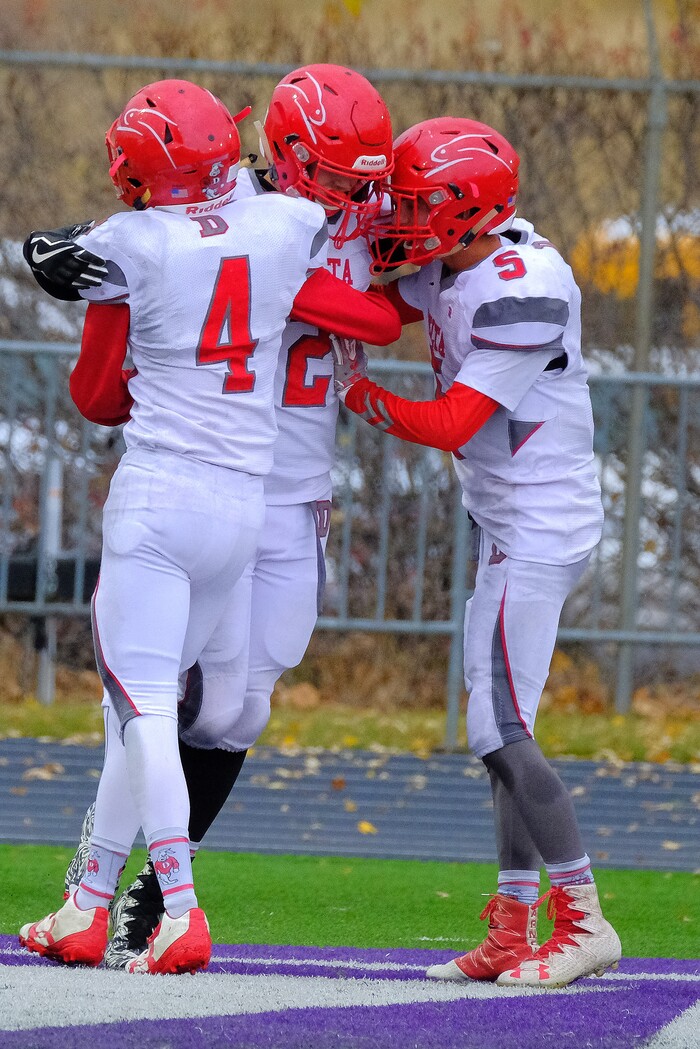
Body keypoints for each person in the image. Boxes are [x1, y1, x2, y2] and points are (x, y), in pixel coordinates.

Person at [22, 66, 399, 971]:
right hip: (240, 497)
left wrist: (55, 252)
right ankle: (90, 899)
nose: (349, 195)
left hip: (194, 491)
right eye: (334, 174)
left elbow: (98, 384)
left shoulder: (166, 235)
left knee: (167, 702)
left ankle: (167, 904)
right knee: (155, 703)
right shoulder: (281, 223)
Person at [332, 117, 622, 989]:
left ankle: (584, 919)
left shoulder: (521, 287)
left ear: (463, 210)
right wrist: (301, 292)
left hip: (539, 526)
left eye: (417, 203)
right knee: (504, 728)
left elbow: (455, 421)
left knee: (496, 728)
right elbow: (381, 308)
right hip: (508, 521)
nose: (402, 218)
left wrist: (357, 395)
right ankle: (512, 922)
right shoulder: (458, 260)